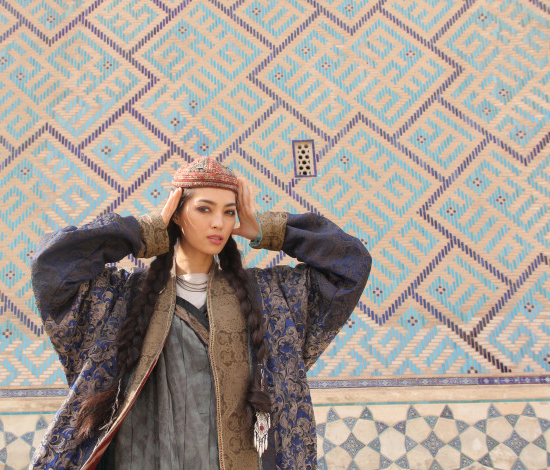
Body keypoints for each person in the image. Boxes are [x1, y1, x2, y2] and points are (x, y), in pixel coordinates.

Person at [30, 157, 372, 470]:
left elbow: (350, 266)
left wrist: (262, 229)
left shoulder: (268, 297)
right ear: (177, 213)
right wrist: (147, 230)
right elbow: (51, 266)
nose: (218, 223)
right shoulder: (122, 298)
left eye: (229, 212)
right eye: (204, 209)